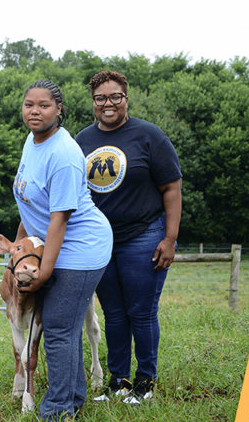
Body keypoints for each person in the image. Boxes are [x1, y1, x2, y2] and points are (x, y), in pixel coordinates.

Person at [74, 70, 182, 405]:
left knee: (142, 311)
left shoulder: (149, 136)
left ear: (126, 98)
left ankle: (145, 383)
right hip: (100, 240)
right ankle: (118, 381)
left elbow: (172, 188)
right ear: (93, 103)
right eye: (101, 98)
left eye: (114, 96)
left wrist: (170, 238)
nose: (108, 104)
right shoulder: (83, 140)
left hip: (144, 235)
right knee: (114, 313)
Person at [13, 79, 113, 420]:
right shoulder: (33, 141)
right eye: (29, 104)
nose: (35, 111)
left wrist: (43, 273)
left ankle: (57, 408)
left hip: (81, 247)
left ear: (59, 110)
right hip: (57, 244)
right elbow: (28, 205)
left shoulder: (65, 154)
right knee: (65, 326)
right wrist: (17, 250)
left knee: (57, 326)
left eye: (44, 105)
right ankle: (74, 397)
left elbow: (58, 221)